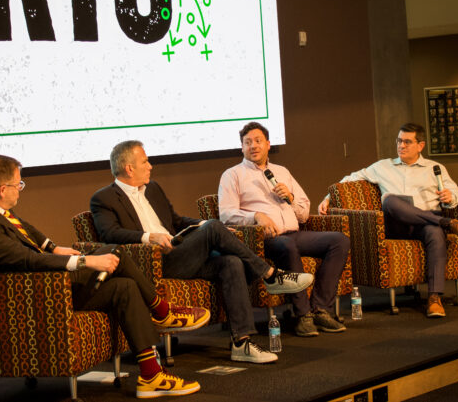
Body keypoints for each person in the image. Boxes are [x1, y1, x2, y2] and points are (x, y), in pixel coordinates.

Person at [0, 154, 207, 399]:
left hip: (45, 287)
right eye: (18, 184)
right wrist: (86, 261)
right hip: (37, 299)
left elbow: (24, 230)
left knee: (125, 287)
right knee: (115, 251)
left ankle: (151, 375)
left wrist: (53, 247)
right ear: (3, 189)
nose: (20, 190)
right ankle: (162, 311)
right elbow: (28, 260)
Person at [90, 141, 314, 364]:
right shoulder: (104, 198)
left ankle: (242, 343)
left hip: (180, 254)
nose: (150, 166)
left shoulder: (153, 189)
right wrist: (150, 237)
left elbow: (177, 221)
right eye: (145, 161)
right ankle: (270, 275)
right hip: (153, 262)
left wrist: (207, 224)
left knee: (231, 262)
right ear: (129, 168)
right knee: (214, 227)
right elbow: (110, 233)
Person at [318, 122, 458, 318]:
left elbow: (455, 193)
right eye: (399, 141)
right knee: (390, 200)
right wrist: (327, 198)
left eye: (408, 142)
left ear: (420, 145)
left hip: (424, 226)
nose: (402, 146)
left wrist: (450, 198)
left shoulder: (435, 168)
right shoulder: (383, 166)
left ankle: (434, 298)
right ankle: (446, 223)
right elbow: (350, 178)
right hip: (396, 225)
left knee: (434, 232)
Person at [218, 122, 351, 337]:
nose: (253, 146)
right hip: (263, 240)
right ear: (241, 147)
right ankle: (303, 315)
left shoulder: (281, 172)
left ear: (268, 145)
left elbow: (304, 213)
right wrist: (255, 216)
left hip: (294, 233)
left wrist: (289, 197)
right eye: (247, 142)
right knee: (287, 245)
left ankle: (320, 309)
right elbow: (226, 214)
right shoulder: (233, 175)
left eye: (258, 141)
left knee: (339, 240)